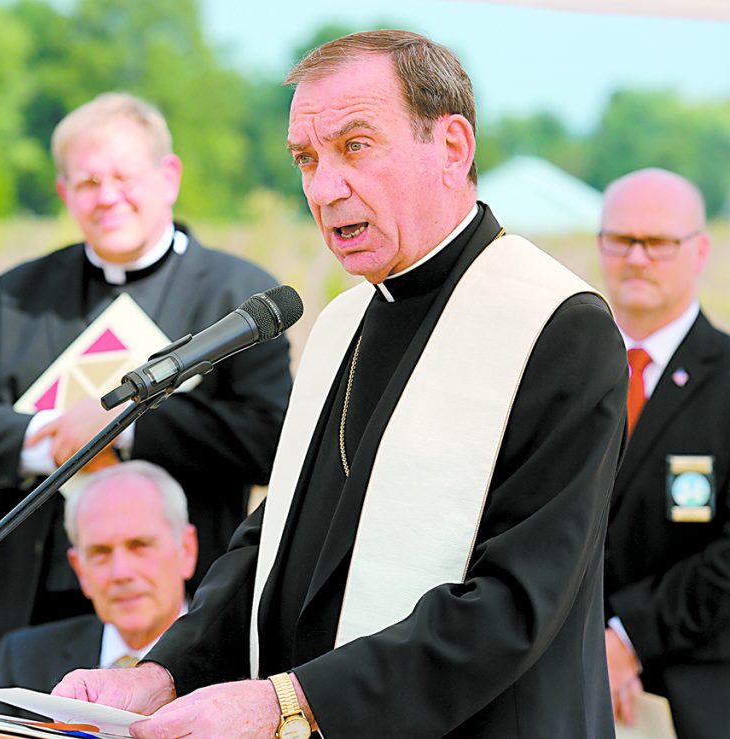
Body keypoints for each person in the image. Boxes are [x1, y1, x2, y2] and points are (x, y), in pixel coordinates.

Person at [52, 30, 628, 738]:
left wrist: (288, 702)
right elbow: (278, 539)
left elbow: (515, 599)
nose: (325, 189)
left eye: (356, 146)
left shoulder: (555, 324)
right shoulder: (344, 321)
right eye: (306, 158)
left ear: (451, 147)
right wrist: (161, 671)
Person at [0, 92, 292, 684]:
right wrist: (52, 439)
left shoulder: (238, 296)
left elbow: (271, 440)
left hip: (180, 608)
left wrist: (125, 429)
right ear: (65, 191)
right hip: (35, 599)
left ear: (168, 177)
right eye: (88, 182)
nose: (107, 197)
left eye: (124, 176)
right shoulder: (24, 292)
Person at [598, 168, 729, 739]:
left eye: (658, 243)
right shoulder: (564, 374)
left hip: (693, 691)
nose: (637, 257)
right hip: (560, 679)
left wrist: (625, 640)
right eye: (621, 239)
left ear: (699, 251)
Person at [0, 461, 197, 717]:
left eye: (140, 545)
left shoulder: (244, 669)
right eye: (100, 552)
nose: (121, 573)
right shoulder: (25, 661)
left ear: (187, 550)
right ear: (80, 569)